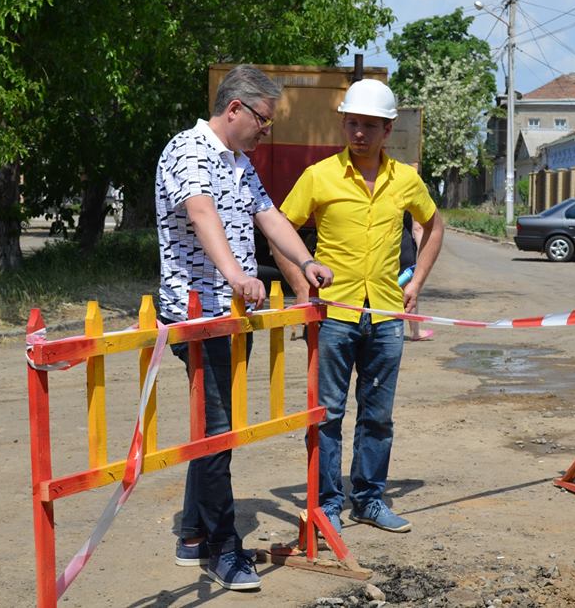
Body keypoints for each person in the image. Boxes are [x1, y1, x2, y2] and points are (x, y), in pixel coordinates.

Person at [155, 65, 333, 591]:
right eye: (262, 119)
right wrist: (235, 272)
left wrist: (304, 262)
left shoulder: (239, 162)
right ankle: (220, 548)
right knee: (216, 432)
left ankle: (191, 535)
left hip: (233, 316)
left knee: (217, 428)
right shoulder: (187, 150)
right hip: (197, 316)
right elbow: (201, 210)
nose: (266, 129)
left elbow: (270, 216)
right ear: (234, 110)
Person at [272, 79, 444, 536]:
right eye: (353, 124)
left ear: (388, 129)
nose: (360, 133)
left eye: (370, 125)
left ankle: (369, 499)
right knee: (327, 414)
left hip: (386, 315)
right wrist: (300, 286)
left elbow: (434, 224)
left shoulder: (405, 180)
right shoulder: (320, 176)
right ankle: (327, 505)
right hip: (333, 316)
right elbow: (280, 231)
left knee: (377, 416)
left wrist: (419, 281)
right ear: (343, 124)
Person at [400, 212, 433, 341]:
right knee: (410, 287)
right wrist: (422, 255)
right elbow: (418, 228)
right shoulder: (408, 192)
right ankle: (415, 332)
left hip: (381, 247)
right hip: (403, 245)